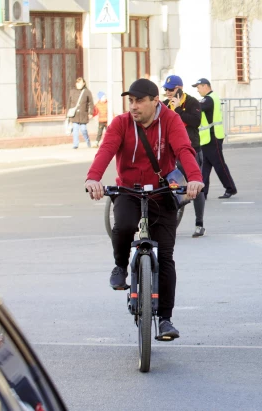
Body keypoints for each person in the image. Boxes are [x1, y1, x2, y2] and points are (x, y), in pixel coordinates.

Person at [84, 78, 205, 340]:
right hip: (129, 189)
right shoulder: (120, 123)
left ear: (154, 101)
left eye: (139, 101)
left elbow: (184, 150)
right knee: (124, 226)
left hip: (162, 193)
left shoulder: (171, 121)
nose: (134, 106)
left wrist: (194, 178)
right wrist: (93, 178)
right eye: (131, 101)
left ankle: (165, 320)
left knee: (166, 257)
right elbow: (106, 150)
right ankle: (119, 266)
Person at [162, 75, 206, 237]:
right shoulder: (165, 105)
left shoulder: (192, 102)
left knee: (195, 185)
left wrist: (179, 109)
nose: (168, 92)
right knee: (170, 186)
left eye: (171, 89)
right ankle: (168, 220)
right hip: (171, 152)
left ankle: (199, 223)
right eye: (166, 89)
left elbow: (195, 122)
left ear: (179, 89)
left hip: (191, 150)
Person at [192, 78, 238, 199]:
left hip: (213, 137)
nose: (197, 90)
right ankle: (203, 192)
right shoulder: (210, 98)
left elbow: (196, 108)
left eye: (198, 87)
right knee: (205, 167)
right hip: (208, 138)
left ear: (205, 86)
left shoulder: (209, 99)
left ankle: (230, 188)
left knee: (219, 164)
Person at [68, 77, 94, 149]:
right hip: (74, 115)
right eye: (77, 83)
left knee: (83, 129)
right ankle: (75, 144)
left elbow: (91, 103)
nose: (78, 84)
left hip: (83, 115)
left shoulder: (87, 92)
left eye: (80, 83)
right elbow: (69, 103)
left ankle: (88, 141)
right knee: (75, 129)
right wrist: (68, 115)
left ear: (83, 83)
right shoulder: (72, 91)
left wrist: (91, 112)